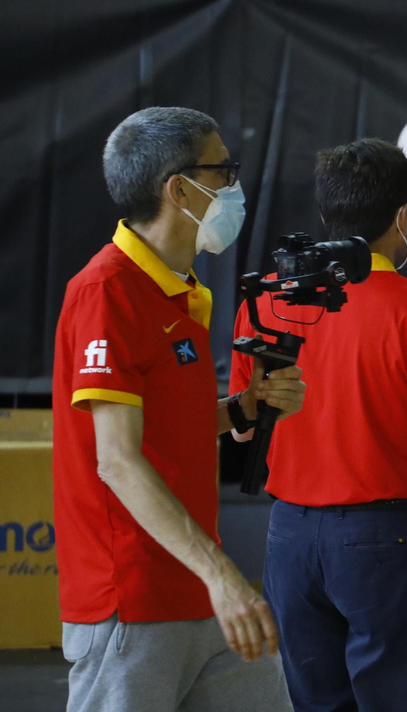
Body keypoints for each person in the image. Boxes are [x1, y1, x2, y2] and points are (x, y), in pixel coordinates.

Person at [52, 106, 305, 712]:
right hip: (132, 603)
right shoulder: (106, 292)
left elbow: (169, 423)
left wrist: (244, 407)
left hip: (202, 592)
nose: (235, 187)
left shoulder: (181, 289)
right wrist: (222, 575)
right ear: (179, 188)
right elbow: (116, 460)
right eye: (225, 171)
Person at [228, 138, 407, 712]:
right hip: (384, 539)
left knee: (313, 701)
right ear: (403, 217)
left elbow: (243, 428)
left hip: (288, 535)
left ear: (326, 214)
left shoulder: (265, 301)